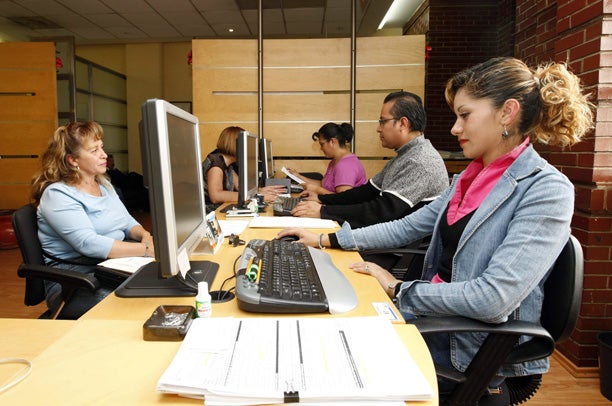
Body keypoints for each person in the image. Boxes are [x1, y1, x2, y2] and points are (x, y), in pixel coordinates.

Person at [278, 57, 594, 400]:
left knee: (329, 370)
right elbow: (406, 227)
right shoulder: (467, 179)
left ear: (507, 112)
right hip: (431, 317)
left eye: (465, 115)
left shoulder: (546, 189)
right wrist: (326, 239)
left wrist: (399, 288)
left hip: (464, 345)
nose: (455, 128)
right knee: (320, 338)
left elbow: (493, 299)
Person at [32, 121, 155, 316]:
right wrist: (146, 250)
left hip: (108, 266)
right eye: (94, 150)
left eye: (102, 147)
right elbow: (88, 244)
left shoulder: (104, 184)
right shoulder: (57, 195)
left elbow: (127, 221)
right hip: (74, 280)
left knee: (161, 287)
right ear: (73, 160)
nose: (104, 155)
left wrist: (145, 236)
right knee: (138, 306)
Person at [290, 91, 449, 229]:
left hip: (394, 252)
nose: (378, 128)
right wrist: (321, 199)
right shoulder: (404, 157)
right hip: (384, 238)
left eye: (382, 121)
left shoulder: (420, 161)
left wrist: (323, 211)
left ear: (403, 123)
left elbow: (381, 211)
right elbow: (365, 193)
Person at [202, 126, 285, 212]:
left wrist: (260, 191)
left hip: (220, 209)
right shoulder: (216, 164)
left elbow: (240, 186)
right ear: (238, 145)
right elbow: (216, 196)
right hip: (209, 214)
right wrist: (257, 196)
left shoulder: (227, 163)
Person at [284, 122, 367, 194]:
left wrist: (317, 190)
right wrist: (298, 176)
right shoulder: (334, 161)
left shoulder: (346, 166)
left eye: (322, 144)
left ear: (332, 141)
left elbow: (342, 199)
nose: (321, 148)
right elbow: (323, 185)